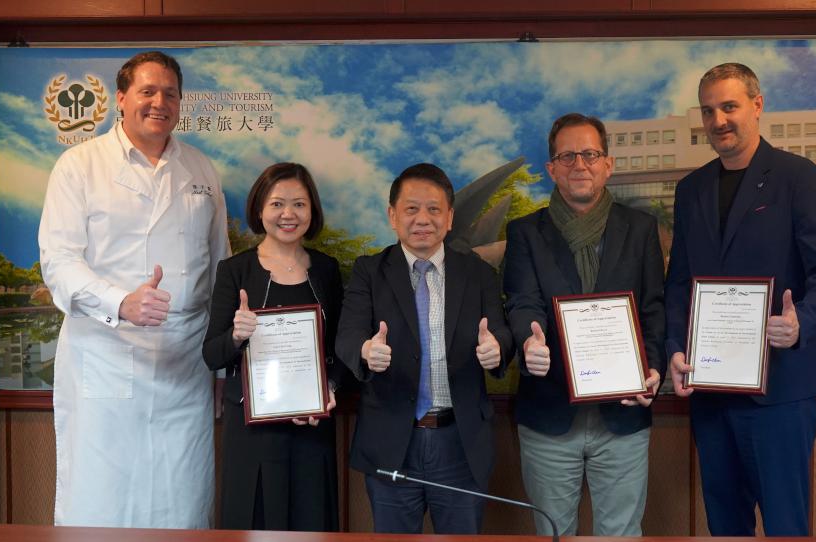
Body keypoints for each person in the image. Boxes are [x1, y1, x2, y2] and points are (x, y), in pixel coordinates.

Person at [38, 51, 229, 528]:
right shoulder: (79, 165)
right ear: (120, 99)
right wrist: (120, 302)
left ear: (181, 102)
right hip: (105, 352)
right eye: (147, 91)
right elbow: (58, 262)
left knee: (182, 496)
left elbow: (221, 267)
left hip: (185, 360)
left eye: (169, 93)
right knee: (103, 495)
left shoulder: (201, 171)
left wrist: (223, 367)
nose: (158, 102)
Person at [665, 63, 816, 536]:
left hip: (782, 393)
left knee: (786, 525)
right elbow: (679, 283)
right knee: (725, 526)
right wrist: (675, 350)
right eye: (709, 111)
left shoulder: (798, 177)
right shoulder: (691, 190)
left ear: (757, 105)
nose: (719, 120)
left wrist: (802, 323)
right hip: (711, 391)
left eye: (729, 106)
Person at [502, 113, 665, 536]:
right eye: (568, 155)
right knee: (555, 534)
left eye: (590, 154)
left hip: (623, 417)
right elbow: (522, 302)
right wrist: (528, 341)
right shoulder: (524, 232)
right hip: (549, 415)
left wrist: (655, 369)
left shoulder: (641, 228)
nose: (580, 164)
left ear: (607, 164)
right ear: (552, 168)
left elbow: (652, 308)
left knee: (622, 534)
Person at [336, 163, 514, 534]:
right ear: (392, 215)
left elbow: (499, 331)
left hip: (460, 444)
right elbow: (347, 336)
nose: (423, 219)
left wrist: (496, 348)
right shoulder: (370, 271)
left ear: (449, 217)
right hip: (392, 441)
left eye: (434, 209)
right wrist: (367, 351)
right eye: (411, 208)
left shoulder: (478, 273)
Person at [202, 162, 342, 531]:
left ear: (312, 211)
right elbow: (211, 354)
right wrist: (236, 334)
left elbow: (341, 350)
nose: (288, 214)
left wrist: (330, 388)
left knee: (312, 521)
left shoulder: (327, 270)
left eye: (299, 204)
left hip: (313, 427)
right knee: (254, 521)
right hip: (252, 433)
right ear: (259, 209)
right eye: (277, 203)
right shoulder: (235, 271)